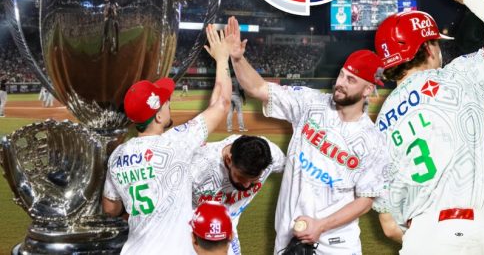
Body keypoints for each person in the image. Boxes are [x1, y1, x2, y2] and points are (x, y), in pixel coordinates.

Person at [373, 0, 484, 255]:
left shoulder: (380, 122)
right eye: (436, 43)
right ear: (428, 48)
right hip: (465, 235)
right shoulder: (455, 78)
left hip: (415, 241)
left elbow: (388, 225)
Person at [226, 15, 388, 254]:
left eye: (351, 80)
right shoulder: (310, 104)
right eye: (342, 74)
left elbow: (365, 200)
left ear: (368, 89)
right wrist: (238, 58)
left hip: (335, 247)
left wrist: (321, 225)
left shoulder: (374, 141)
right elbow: (258, 88)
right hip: (287, 238)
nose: (340, 82)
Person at [102, 25, 232, 255]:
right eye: (165, 102)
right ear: (158, 116)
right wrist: (222, 59)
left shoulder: (117, 155)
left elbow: (110, 209)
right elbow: (221, 104)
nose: (169, 103)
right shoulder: (176, 142)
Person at [191, 134, 285, 255]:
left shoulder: (270, 156)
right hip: (194, 224)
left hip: (228, 225)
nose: (246, 185)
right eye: (241, 177)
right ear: (229, 160)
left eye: (254, 180)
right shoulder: (199, 169)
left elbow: (294, 170)